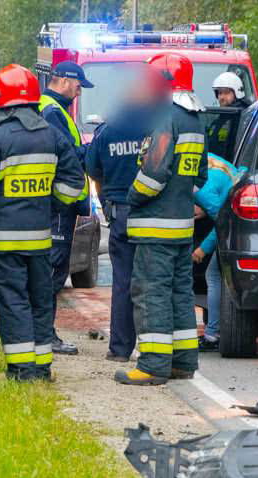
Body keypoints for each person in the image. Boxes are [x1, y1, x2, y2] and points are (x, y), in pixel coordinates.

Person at [0, 64, 85, 381]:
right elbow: (75, 181)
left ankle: (20, 370)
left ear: (0, 98)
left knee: (13, 301)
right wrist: (53, 207)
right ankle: (42, 368)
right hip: (41, 239)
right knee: (41, 301)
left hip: (3, 241)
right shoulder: (54, 137)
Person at [114, 53, 208, 386]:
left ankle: (153, 365)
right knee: (180, 294)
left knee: (151, 292)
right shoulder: (195, 119)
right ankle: (183, 362)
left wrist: (132, 198)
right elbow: (201, 177)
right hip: (182, 227)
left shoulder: (167, 118)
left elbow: (153, 174)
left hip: (155, 227)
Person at [86, 80, 162, 363]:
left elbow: (93, 169)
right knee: (153, 281)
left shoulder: (107, 131)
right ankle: (154, 350)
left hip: (119, 212)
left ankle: (119, 349)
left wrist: (107, 201)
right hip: (151, 211)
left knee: (122, 282)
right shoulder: (155, 127)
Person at [39, 61, 92, 355]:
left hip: (59, 202)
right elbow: (67, 155)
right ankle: (45, 335)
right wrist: (89, 150)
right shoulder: (52, 111)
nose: (79, 91)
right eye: (78, 84)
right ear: (63, 80)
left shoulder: (52, 109)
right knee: (53, 270)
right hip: (60, 203)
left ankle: (43, 333)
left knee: (52, 269)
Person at [191, 153, 242, 352]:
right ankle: (215, 329)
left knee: (212, 276)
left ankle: (213, 334)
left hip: (234, 221)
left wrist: (203, 249)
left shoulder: (201, 190)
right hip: (234, 203)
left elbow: (222, 221)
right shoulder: (202, 161)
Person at [206, 71, 248, 153]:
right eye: (220, 93)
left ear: (237, 93)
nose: (221, 97)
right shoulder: (221, 118)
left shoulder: (241, 117)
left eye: (226, 92)